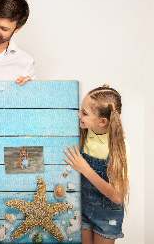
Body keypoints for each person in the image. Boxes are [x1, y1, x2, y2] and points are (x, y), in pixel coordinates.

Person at [63, 84, 130, 244]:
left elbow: (118, 196)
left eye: (84, 113)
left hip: (107, 214)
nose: (79, 114)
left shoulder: (120, 148)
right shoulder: (83, 133)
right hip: (84, 207)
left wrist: (85, 169)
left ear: (102, 121)